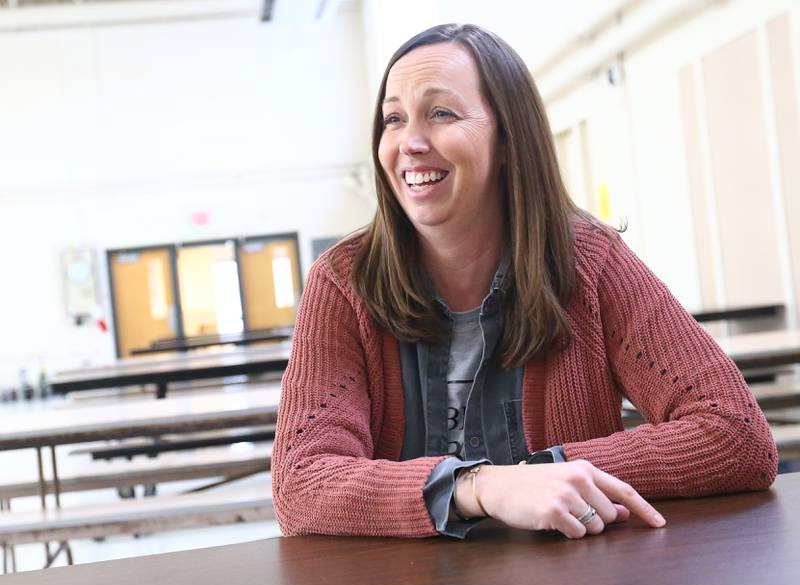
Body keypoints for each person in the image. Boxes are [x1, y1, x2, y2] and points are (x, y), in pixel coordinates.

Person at [272, 23, 777, 539]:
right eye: (394, 119)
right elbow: (301, 482)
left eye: (441, 113)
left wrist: (553, 473)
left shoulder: (590, 261)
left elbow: (736, 435)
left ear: (510, 137)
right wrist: (483, 487)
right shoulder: (342, 282)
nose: (410, 142)